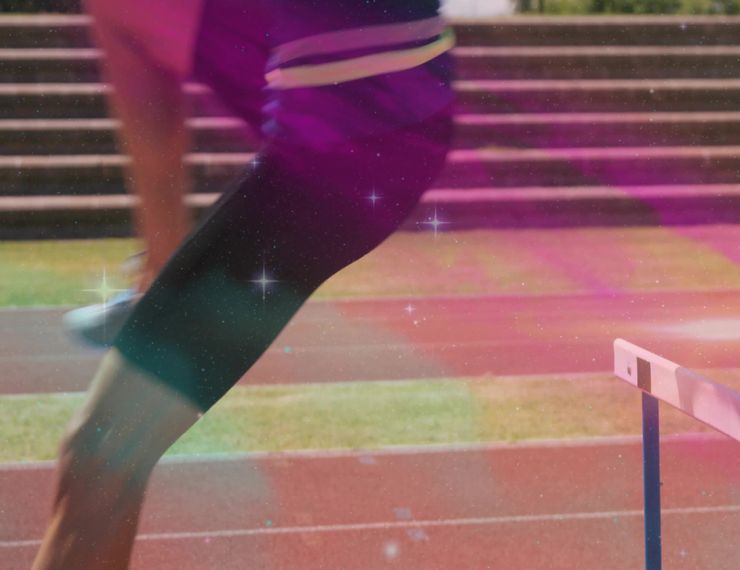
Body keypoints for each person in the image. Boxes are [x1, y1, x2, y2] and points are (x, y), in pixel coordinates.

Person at [34, 1, 455, 568]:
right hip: (364, 135)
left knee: (100, 458)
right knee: (100, 459)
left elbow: (160, 141)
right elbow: (157, 144)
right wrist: (158, 291)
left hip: (356, 143)